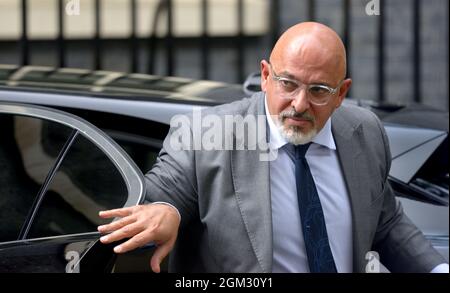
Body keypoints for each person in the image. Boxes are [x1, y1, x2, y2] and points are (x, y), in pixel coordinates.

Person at [97, 22, 448, 273]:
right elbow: (164, 192)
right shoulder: (207, 133)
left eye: (319, 91)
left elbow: (386, 223)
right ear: (265, 76)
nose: (299, 104)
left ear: (341, 94)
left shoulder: (363, 132)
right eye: (287, 83)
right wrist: (164, 210)